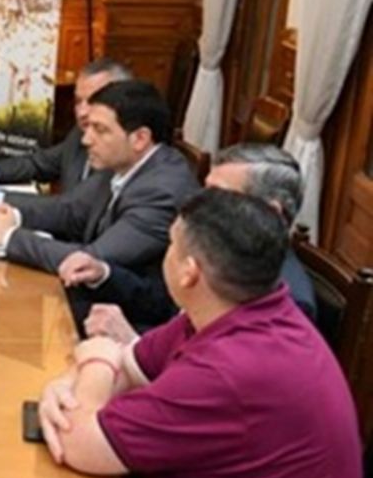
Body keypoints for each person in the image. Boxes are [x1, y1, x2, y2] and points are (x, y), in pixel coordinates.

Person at [38, 189, 365, 478]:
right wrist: (68, 385)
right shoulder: (234, 311)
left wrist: (94, 361)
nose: (165, 254)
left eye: (171, 246)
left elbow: (80, 442)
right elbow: (130, 366)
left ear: (189, 271)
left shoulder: (235, 368)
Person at [62, 143, 317, 338]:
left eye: (219, 195)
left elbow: (216, 378)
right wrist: (103, 273)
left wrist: (131, 341)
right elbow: (163, 302)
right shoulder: (221, 246)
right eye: (205, 190)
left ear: (270, 212)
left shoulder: (287, 301)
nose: (200, 204)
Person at [0, 79, 198, 277]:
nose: (86, 140)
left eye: (100, 129)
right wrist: (12, 215)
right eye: (88, 128)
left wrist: (8, 236)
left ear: (140, 138)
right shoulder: (125, 161)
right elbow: (70, 210)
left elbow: (90, 261)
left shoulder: (162, 192)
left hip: (122, 308)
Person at [0, 58, 132, 207]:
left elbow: (69, 209)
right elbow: (37, 163)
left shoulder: (122, 151)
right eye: (78, 101)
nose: (82, 112)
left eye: (93, 101)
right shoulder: (78, 134)